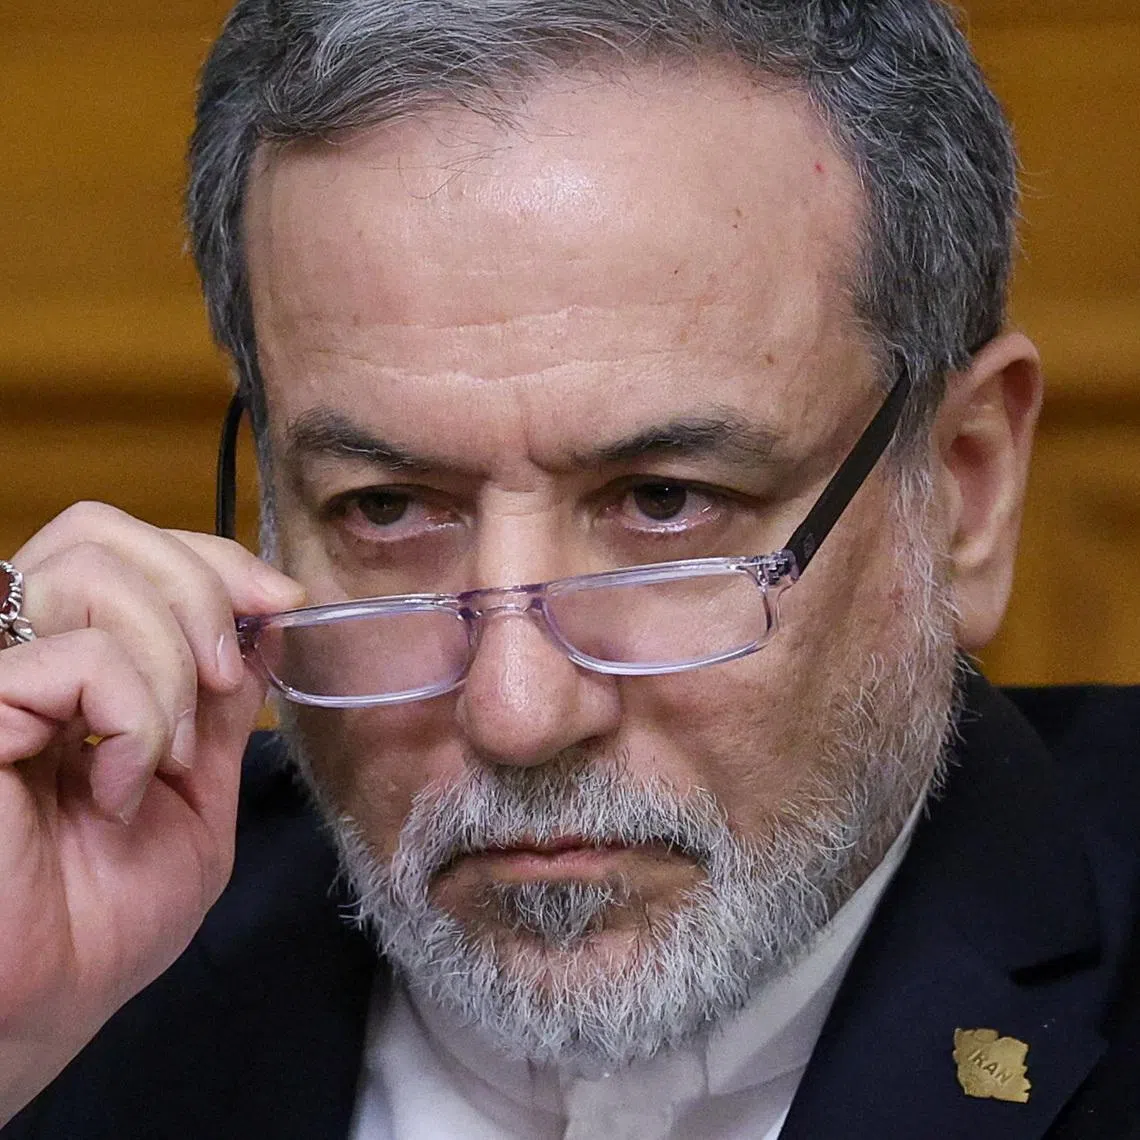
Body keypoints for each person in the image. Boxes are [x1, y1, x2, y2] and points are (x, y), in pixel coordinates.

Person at [2, 1, 1138, 1136]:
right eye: (385, 508)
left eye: (665, 502)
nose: (516, 711)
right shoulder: (87, 966)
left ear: (964, 490)